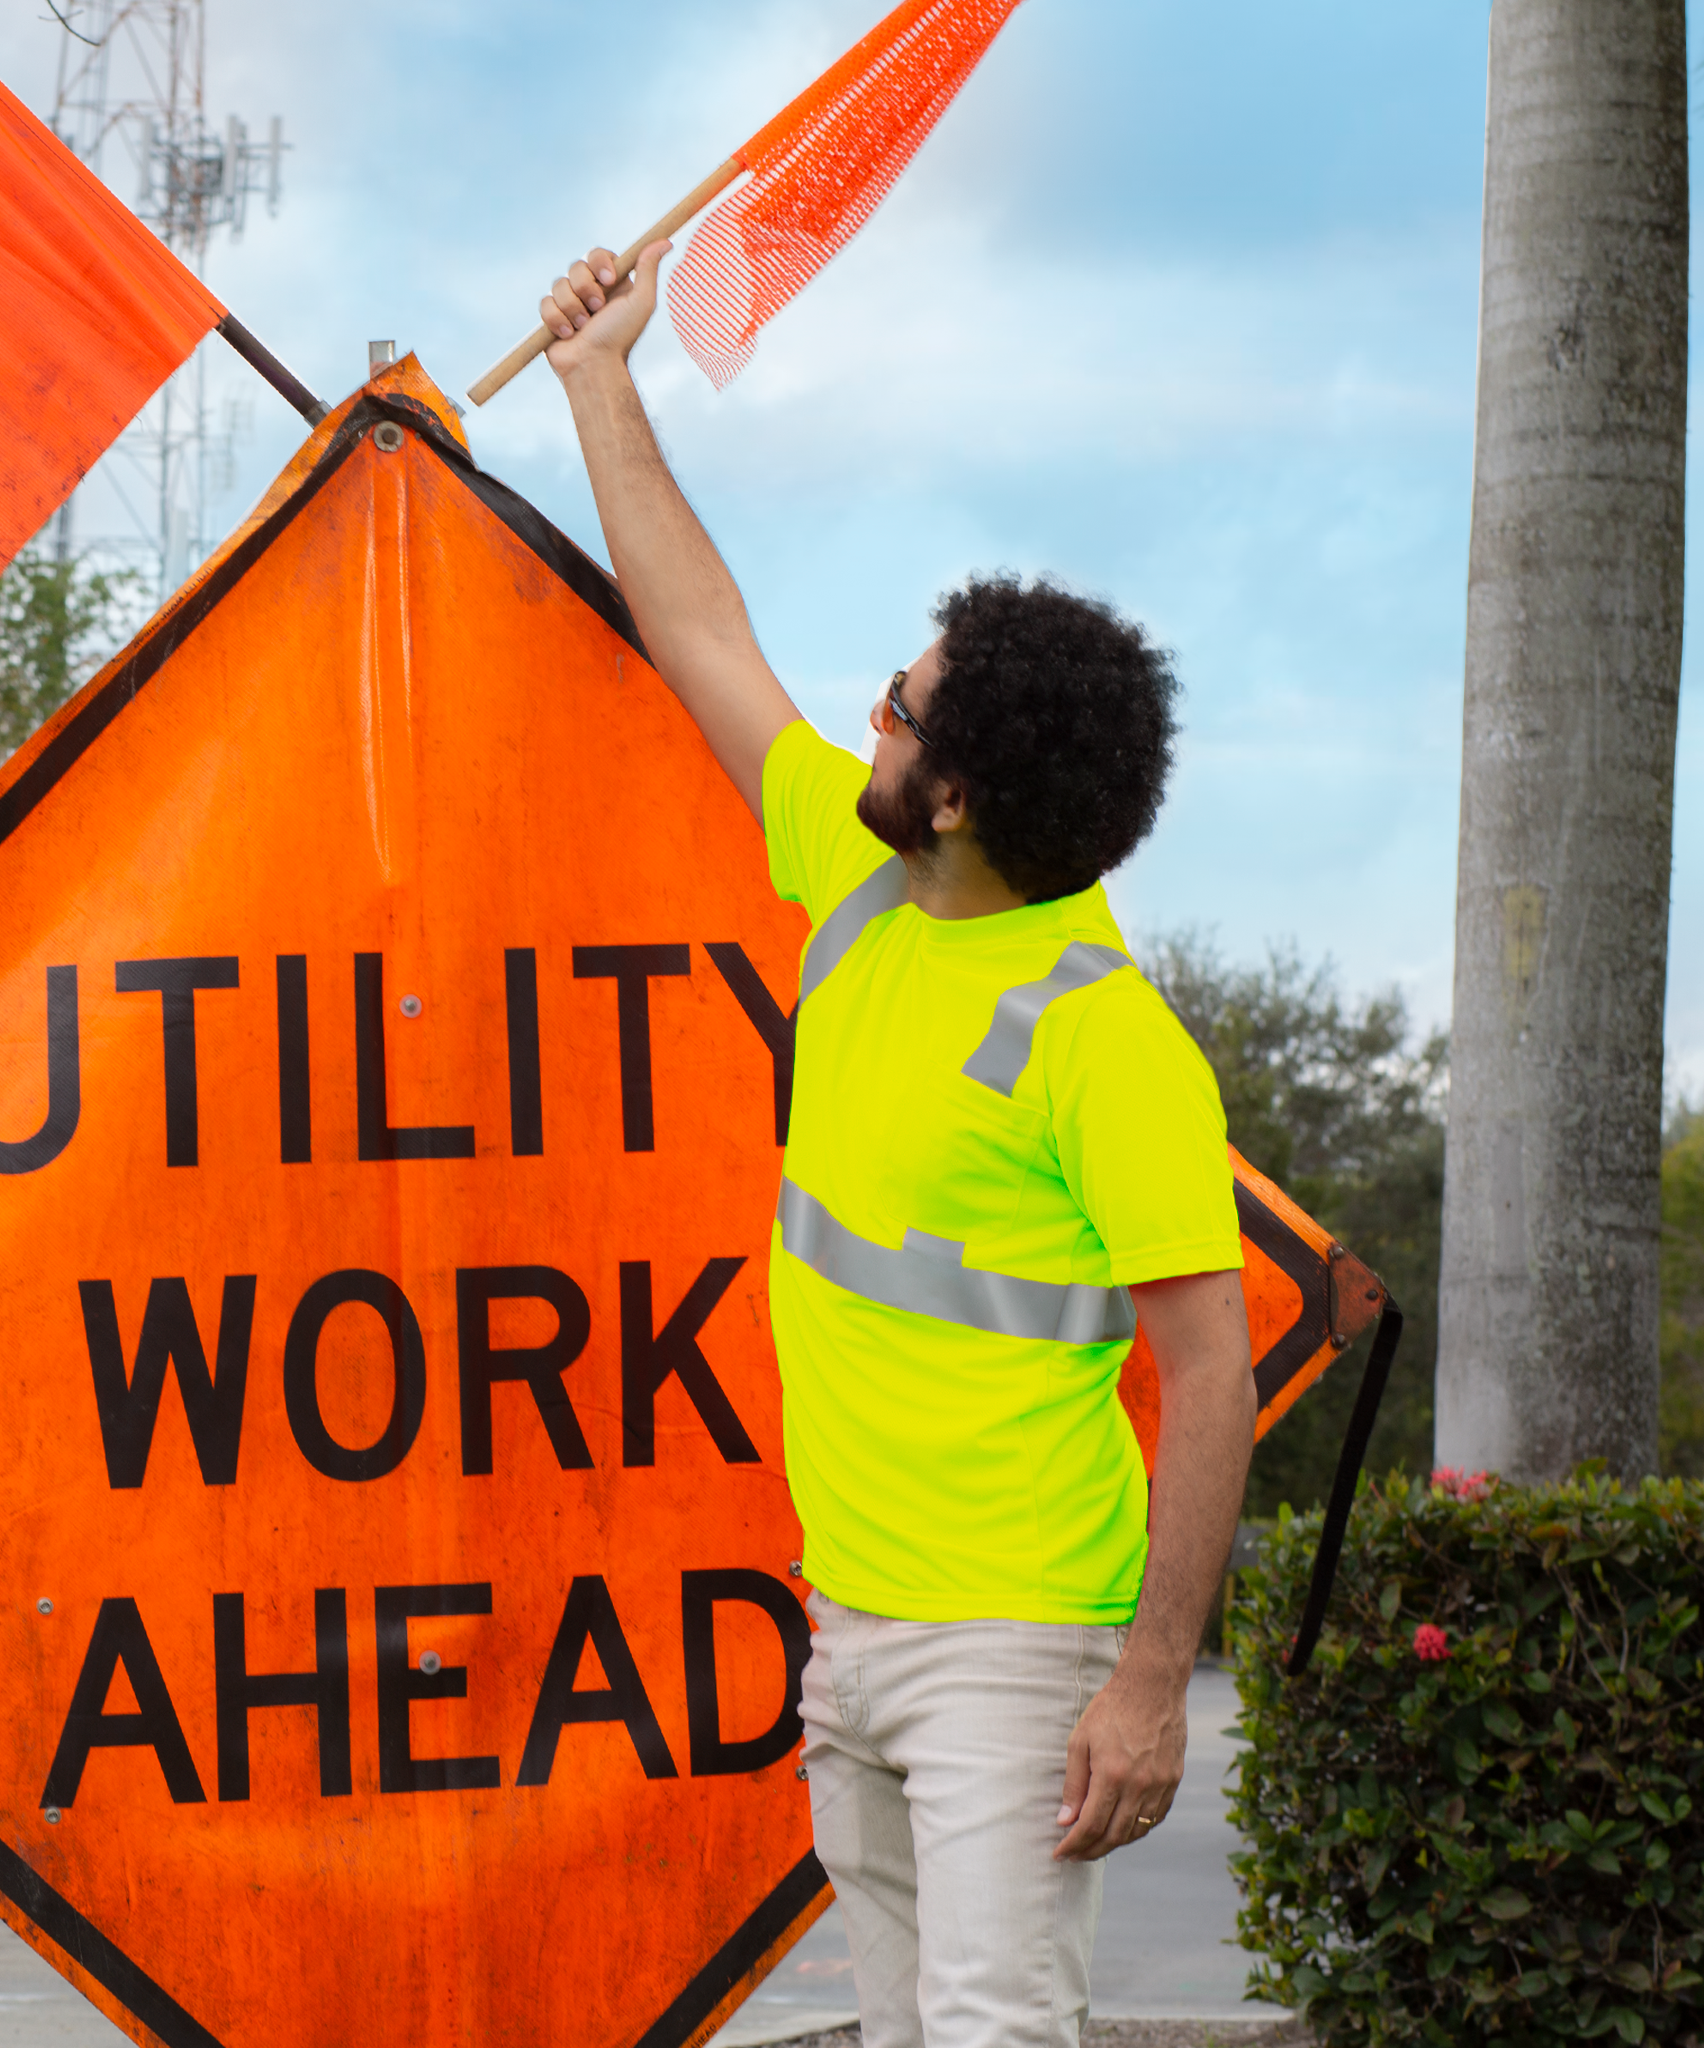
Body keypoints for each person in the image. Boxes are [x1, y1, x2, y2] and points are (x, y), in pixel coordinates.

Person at [537, 241, 1256, 2048]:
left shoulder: (1106, 1043)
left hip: (1014, 1647)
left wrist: (1151, 1684)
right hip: (850, 1621)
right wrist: (601, 378)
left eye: (900, 707)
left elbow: (1211, 1374)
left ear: (956, 795)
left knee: (996, 2030)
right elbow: (703, 632)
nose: (870, 714)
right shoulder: (862, 887)